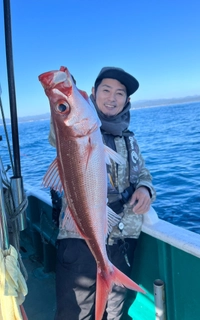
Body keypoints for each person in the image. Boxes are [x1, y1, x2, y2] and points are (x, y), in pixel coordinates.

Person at [49, 67, 156, 320]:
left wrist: (145, 188)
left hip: (122, 238)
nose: (112, 97)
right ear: (93, 94)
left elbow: (143, 172)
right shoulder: (75, 130)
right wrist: (66, 93)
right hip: (80, 238)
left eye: (120, 93)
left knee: (114, 311)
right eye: (106, 90)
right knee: (74, 312)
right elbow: (60, 125)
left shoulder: (128, 139)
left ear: (127, 101)